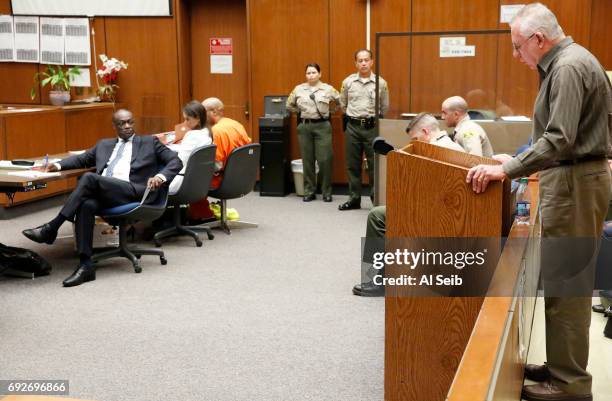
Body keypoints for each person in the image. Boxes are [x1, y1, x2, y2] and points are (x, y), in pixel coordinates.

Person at [465, 4, 611, 401]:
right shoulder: (568, 61)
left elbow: (560, 138)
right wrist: (511, 159)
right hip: (572, 179)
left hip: (576, 181)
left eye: (517, 47)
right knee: (563, 280)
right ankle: (563, 368)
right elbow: (554, 134)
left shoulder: (566, 67)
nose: (516, 56)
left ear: (538, 40)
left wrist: (508, 169)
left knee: (570, 284)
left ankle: (570, 386)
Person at [22, 109, 182, 287]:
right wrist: (58, 165)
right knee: (86, 204)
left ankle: (53, 227)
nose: (127, 126)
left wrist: (160, 177)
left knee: (89, 178)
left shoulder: (149, 142)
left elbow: (175, 161)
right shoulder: (104, 145)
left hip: (135, 191)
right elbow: (82, 159)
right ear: (114, 126)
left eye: (130, 122)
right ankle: (85, 265)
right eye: (122, 123)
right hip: (109, 193)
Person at [353, 113, 466, 296]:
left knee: (377, 216)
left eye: (415, 139)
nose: (414, 143)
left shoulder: (436, 151)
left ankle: (377, 280)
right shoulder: (452, 146)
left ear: (425, 131)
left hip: (436, 215)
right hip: (449, 212)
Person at [338, 49, 389, 211]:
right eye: (360, 60)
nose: (363, 63)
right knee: (352, 164)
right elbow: (343, 103)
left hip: (372, 128)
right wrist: (353, 117)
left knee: (375, 165)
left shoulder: (381, 83)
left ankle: (376, 200)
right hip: (352, 127)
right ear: (356, 63)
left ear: (372, 62)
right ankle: (354, 199)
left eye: (366, 60)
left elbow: (385, 107)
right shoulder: (348, 82)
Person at [187, 97, 252, 221]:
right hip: (241, 177)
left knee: (192, 178)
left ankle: (203, 215)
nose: (199, 116)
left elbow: (215, 165)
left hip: (224, 179)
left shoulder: (216, 131)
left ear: (214, 112)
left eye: (202, 112)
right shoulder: (236, 124)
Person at [286, 63, 340, 202]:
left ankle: (326, 191)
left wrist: (331, 112)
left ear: (320, 74)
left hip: (322, 126)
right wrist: (300, 112)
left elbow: (341, 101)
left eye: (314, 72)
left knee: (325, 160)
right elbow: (289, 105)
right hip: (305, 127)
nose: (311, 75)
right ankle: (309, 191)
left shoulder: (327, 89)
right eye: (308, 73)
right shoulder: (299, 89)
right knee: (307, 160)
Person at [166, 101, 212, 195]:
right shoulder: (207, 132)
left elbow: (180, 161)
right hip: (198, 181)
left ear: (198, 119)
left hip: (181, 181)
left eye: (187, 119)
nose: (185, 123)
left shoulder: (192, 135)